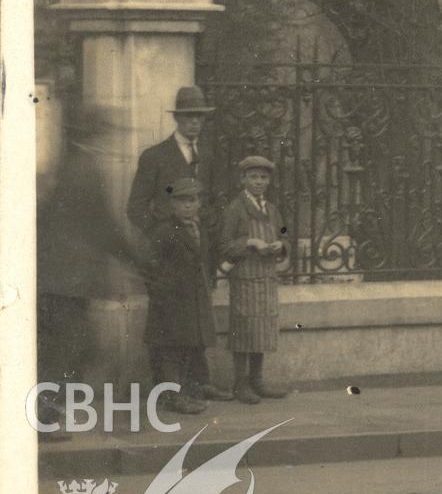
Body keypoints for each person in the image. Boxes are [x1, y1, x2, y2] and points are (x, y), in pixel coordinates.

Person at [36, 104, 194, 423]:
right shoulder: (85, 168)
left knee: (73, 348)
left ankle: (50, 413)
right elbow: (105, 226)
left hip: (62, 279)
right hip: (67, 279)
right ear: (93, 134)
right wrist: (140, 263)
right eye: (106, 132)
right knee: (73, 349)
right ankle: (47, 416)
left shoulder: (74, 164)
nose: (109, 140)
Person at [142, 176, 216, 413]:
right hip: (169, 301)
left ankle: (187, 392)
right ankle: (171, 397)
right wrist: (161, 295)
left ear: (199, 204)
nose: (188, 206)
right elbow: (148, 265)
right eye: (182, 201)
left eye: (193, 200)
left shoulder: (198, 229)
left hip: (191, 300)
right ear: (172, 204)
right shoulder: (165, 231)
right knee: (169, 350)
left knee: (187, 346)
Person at [219, 156, 290, 402]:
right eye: (253, 177)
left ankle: (257, 380)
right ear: (243, 179)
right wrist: (250, 242)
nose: (258, 182)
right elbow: (226, 246)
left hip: (267, 278)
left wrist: (280, 245)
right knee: (244, 329)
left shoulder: (272, 210)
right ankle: (240, 383)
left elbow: (285, 235)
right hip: (245, 278)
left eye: (263, 177)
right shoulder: (235, 210)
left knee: (263, 330)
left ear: (269, 181)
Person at [127, 86, 213, 235]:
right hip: (168, 247)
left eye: (199, 116)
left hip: (203, 243)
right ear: (176, 117)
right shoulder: (154, 156)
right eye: (188, 116)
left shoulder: (208, 153)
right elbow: (136, 207)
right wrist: (158, 233)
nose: (194, 121)